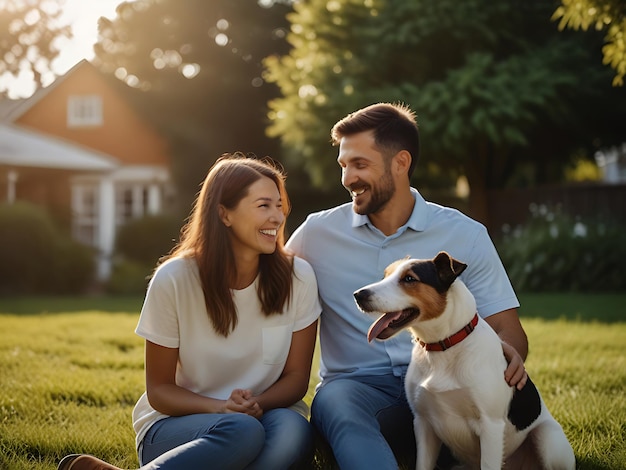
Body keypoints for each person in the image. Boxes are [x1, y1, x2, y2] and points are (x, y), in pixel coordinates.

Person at [285, 102, 529, 470]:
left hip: (451, 387)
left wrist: (506, 354)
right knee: (338, 405)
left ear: (401, 162)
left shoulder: (466, 234)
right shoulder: (316, 234)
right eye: (344, 165)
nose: (347, 178)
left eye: (360, 164)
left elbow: (507, 329)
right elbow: (261, 287)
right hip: (360, 390)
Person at [58, 153, 321, 470]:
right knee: (242, 430)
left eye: (279, 205)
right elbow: (160, 390)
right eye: (264, 205)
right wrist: (223, 408)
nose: (277, 218)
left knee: (294, 432)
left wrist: (253, 405)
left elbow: (295, 379)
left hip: (266, 414)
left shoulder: (299, 277)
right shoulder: (174, 279)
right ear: (224, 213)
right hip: (178, 425)